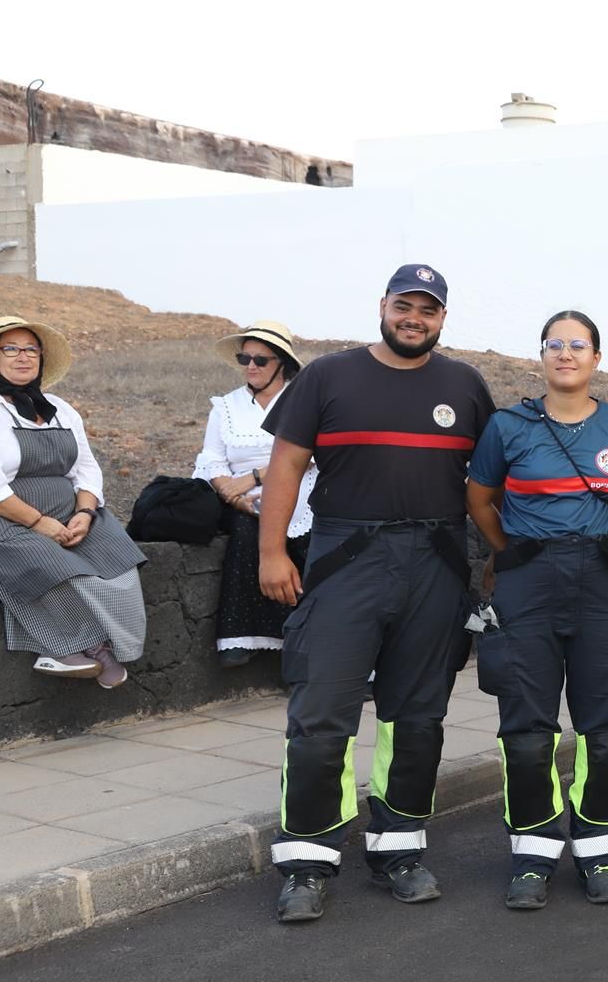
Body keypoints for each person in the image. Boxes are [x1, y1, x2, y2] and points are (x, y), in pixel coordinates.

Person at [259, 265, 496, 924]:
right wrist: (271, 550)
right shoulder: (327, 376)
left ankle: (399, 851)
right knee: (320, 716)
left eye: (428, 309)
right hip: (346, 559)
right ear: (383, 306)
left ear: (442, 318)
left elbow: (489, 484)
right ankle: (307, 863)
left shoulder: (466, 386)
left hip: (436, 564)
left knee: (416, 720)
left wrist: (503, 557)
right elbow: (286, 464)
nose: (414, 317)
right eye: (404, 305)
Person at [466, 311, 608, 910]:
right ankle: (532, 855)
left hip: (600, 582)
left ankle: (597, 850)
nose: (565, 353)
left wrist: (594, 533)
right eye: (554, 345)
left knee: (603, 731)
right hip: (528, 582)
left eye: (578, 345)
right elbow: (480, 498)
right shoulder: (507, 426)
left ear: (596, 358)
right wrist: (512, 551)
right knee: (525, 732)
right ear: (541, 357)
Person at [0, 314, 147, 687]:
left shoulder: (59, 408)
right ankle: (80, 649)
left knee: (120, 564)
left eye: (31, 350)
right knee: (57, 568)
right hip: (5, 516)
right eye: (10, 349)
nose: (22, 357)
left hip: (71, 512)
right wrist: (40, 524)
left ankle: (102, 645)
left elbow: (87, 470)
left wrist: (86, 513)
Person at [193, 320, 318, 667]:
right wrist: (232, 494)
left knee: (308, 544)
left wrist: (254, 476)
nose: (251, 366)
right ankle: (242, 637)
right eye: (244, 358)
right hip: (242, 498)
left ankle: (310, 649)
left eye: (260, 360)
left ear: (282, 363)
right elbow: (212, 459)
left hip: (299, 487)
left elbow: (312, 453)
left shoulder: (302, 401)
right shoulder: (226, 406)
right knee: (246, 532)